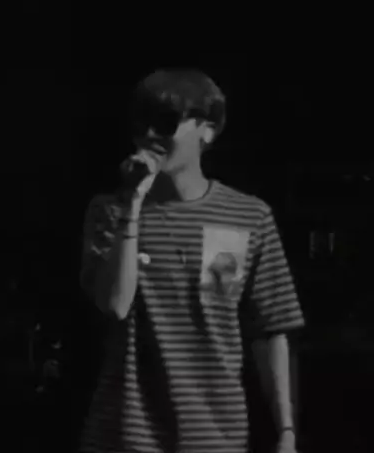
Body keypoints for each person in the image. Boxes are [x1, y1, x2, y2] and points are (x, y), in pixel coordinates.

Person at [77, 69, 304, 453]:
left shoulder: (248, 216)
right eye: (141, 123)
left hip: (215, 438)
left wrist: (286, 431)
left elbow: (270, 328)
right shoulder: (110, 212)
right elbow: (114, 305)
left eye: (166, 122)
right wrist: (133, 205)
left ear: (207, 130)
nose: (150, 134)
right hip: (124, 436)